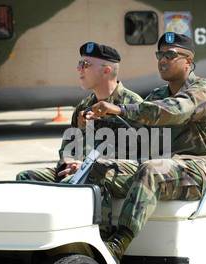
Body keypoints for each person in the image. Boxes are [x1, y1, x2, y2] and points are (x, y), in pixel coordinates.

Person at [85, 32, 206, 263]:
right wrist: (91, 120)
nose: (162, 60)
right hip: (164, 167)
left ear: (188, 61)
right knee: (99, 169)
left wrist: (121, 109)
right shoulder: (158, 94)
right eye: (160, 54)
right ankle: (100, 240)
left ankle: (117, 246)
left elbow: (173, 111)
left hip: (200, 170)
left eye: (170, 55)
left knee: (152, 169)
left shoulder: (203, 91)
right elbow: (134, 127)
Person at [16, 42, 143, 186]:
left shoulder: (133, 105)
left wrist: (86, 167)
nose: (78, 68)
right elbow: (69, 145)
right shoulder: (84, 106)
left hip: (113, 176)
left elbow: (141, 155)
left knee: (91, 177)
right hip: (81, 171)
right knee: (26, 177)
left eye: (85, 64)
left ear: (106, 71)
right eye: (79, 63)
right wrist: (68, 165)